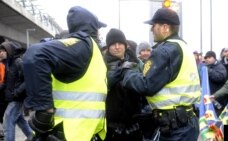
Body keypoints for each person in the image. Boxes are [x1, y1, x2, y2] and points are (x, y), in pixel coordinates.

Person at [23, 6, 107, 141]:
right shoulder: (83, 45)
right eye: (98, 28)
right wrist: (44, 110)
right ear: (91, 26)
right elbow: (35, 55)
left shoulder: (91, 50)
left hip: (81, 134)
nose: (100, 33)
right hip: (67, 134)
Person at [120, 8, 200, 141]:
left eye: (154, 25)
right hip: (187, 123)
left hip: (175, 129)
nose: (151, 29)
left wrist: (127, 72)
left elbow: (146, 86)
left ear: (164, 27)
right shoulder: (183, 47)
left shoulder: (164, 51)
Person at [103, 28, 145, 141]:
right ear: (108, 47)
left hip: (135, 125)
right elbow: (100, 88)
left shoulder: (137, 63)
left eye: (120, 43)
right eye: (113, 44)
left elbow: (146, 86)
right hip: (111, 127)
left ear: (125, 45)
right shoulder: (102, 63)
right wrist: (117, 72)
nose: (117, 47)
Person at [0, 41, 33, 141]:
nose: (0, 53)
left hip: (17, 98)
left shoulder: (18, 62)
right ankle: (34, 137)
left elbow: (28, 79)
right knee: (20, 121)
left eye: (2, 51)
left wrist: (17, 92)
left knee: (8, 121)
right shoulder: (8, 64)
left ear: (9, 51)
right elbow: (6, 82)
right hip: (11, 98)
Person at [204, 51, 227, 115]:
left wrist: (209, 71)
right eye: (206, 58)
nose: (207, 59)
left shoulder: (220, 67)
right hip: (208, 97)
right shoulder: (206, 67)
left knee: (216, 118)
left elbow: (220, 78)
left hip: (217, 98)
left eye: (209, 57)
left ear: (214, 58)